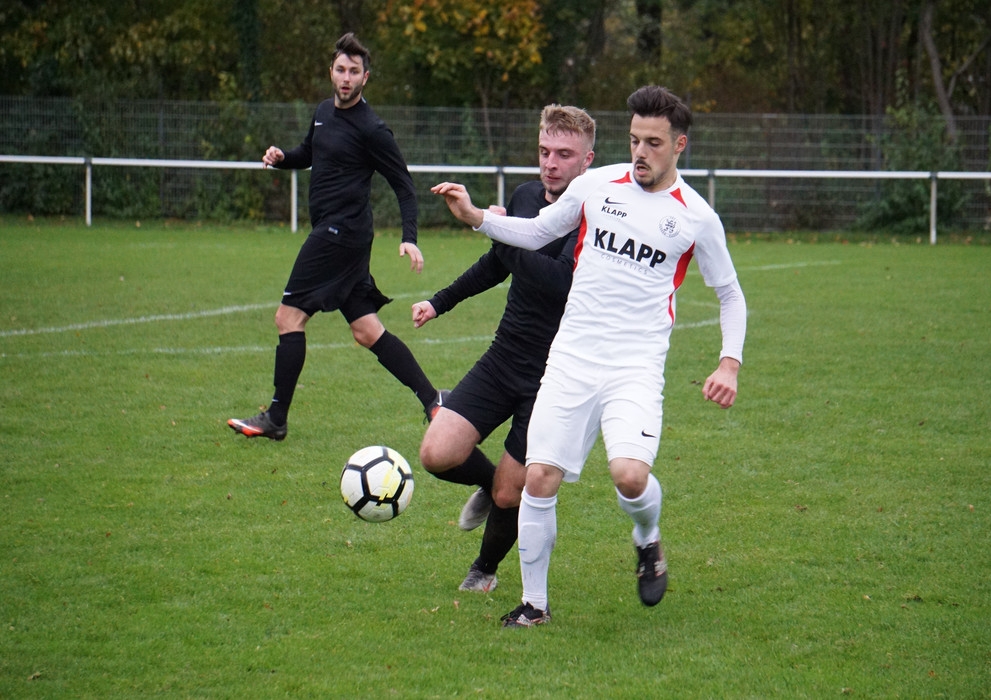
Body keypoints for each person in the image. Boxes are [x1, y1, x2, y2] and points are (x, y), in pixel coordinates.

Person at [431, 85, 747, 628]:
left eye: (653, 142)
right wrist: (476, 216)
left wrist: (729, 363)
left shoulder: (696, 217)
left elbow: (730, 293)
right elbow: (534, 232)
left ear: (679, 146)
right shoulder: (597, 185)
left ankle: (646, 538)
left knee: (628, 475)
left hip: (634, 366)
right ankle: (535, 605)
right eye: (634, 140)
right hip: (571, 357)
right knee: (539, 479)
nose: (641, 152)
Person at [412, 105, 596, 594]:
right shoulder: (526, 196)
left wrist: (491, 225)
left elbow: (558, 282)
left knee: (513, 491)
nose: (550, 163)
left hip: (553, 377)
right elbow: (498, 264)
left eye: (564, 154)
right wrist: (439, 301)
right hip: (504, 356)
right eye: (544, 151)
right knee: (437, 452)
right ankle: (489, 487)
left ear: (588, 161)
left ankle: (484, 570)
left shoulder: (596, 219)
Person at [228, 33, 444, 441]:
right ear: (331, 72)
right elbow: (311, 153)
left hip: (339, 234)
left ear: (366, 77)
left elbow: (403, 185)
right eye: (341, 70)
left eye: (354, 72)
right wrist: (282, 159)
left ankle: (276, 418)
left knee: (287, 317)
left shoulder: (373, 129)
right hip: (341, 235)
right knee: (366, 330)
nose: (346, 78)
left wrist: (410, 236)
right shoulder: (324, 111)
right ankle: (433, 399)